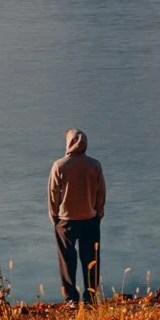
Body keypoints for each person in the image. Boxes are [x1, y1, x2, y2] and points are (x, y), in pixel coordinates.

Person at [48, 128, 106, 305]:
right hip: (90, 219)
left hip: (65, 221)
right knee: (91, 260)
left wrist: (55, 218)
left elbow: (52, 195)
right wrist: (98, 214)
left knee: (67, 262)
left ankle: (71, 299)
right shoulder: (95, 165)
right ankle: (90, 298)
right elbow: (101, 193)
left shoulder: (59, 165)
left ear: (69, 143)